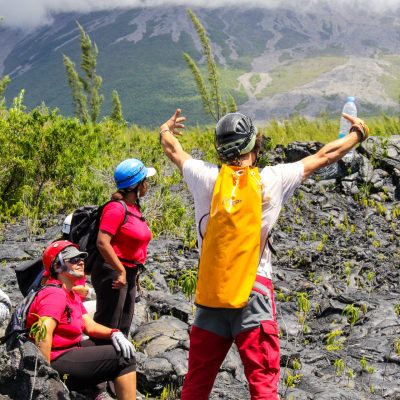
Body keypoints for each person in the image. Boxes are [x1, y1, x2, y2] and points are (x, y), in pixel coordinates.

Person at [159, 108, 369, 400]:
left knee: (196, 385)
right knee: (262, 385)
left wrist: (165, 130)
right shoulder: (272, 179)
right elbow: (323, 157)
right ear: (253, 147)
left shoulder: (202, 176)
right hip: (254, 291)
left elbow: (173, 150)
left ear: (220, 149)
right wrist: (357, 134)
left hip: (212, 295)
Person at [26, 240, 137, 400]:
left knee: (115, 344)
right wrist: (43, 377)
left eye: (81, 258)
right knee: (125, 358)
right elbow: (43, 333)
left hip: (68, 350)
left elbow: (89, 326)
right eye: (73, 259)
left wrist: (114, 333)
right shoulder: (54, 294)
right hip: (55, 358)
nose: (80, 262)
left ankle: (92, 391)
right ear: (57, 267)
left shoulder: (70, 294)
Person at [91, 158, 156, 335]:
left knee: (123, 324)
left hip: (128, 271)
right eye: (145, 181)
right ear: (137, 185)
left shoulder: (133, 208)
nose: (147, 185)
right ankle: (100, 359)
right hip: (113, 272)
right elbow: (102, 242)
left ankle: (119, 362)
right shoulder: (116, 209)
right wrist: (120, 271)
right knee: (108, 326)